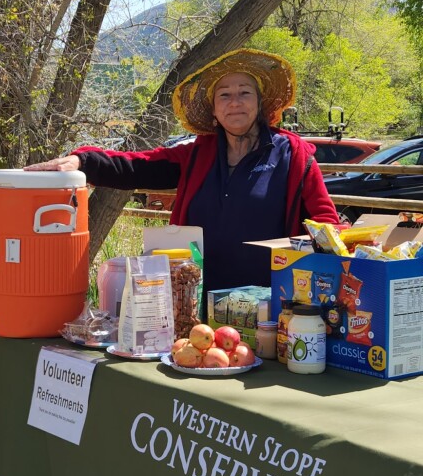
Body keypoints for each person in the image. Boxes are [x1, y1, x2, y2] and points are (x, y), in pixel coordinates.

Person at [25, 48, 339, 293]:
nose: (235, 102)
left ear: (259, 103)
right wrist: (83, 161)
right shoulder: (196, 155)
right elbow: (137, 167)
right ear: (214, 110)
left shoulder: (293, 157)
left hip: (268, 306)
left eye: (245, 92)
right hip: (194, 301)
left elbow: (326, 224)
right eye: (224, 95)